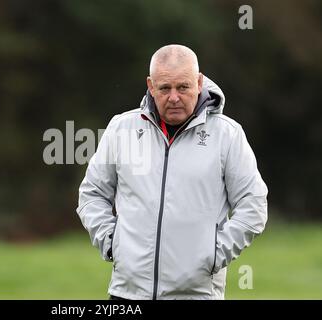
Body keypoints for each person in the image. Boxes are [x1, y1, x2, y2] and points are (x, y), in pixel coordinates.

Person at [76, 44, 268, 300]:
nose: (174, 97)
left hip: (197, 294)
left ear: (199, 83)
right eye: (165, 88)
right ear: (151, 85)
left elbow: (253, 204)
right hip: (128, 293)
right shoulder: (121, 129)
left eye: (183, 87)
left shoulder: (228, 135)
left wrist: (214, 254)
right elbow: (92, 194)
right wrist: (112, 243)